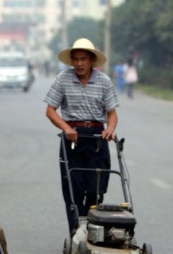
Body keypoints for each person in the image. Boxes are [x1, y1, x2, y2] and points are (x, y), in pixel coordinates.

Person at [44, 38, 120, 232]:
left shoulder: (103, 81)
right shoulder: (63, 78)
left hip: (97, 138)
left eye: (83, 59)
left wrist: (109, 129)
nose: (79, 63)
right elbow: (51, 110)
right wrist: (66, 129)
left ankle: (91, 227)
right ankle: (76, 231)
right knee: (74, 188)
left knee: (96, 187)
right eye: (76, 59)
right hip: (72, 138)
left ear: (91, 60)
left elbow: (112, 113)